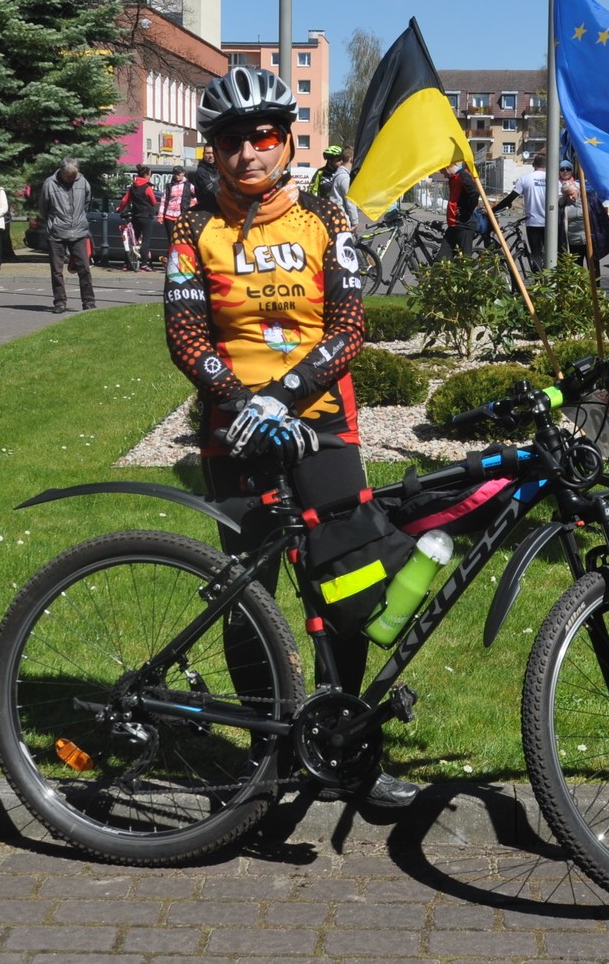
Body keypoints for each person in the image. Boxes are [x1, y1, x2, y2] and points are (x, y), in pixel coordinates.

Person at [162, 65, 413, 810]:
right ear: (213, 150)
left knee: (347, 587)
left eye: (264, 137)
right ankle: (265, 756)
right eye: (231, 141)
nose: (248, 154)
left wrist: (285, 396)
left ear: (287, 143)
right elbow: (185, 334)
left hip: (322, 423)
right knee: (251, 596)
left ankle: (344, 749)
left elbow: (349, 327)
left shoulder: (326, 219)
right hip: (234, 427)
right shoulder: (193, 228)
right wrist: (246, 401)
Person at [39, 157, 95, 313]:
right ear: (62, 172)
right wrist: (53, 222)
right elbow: (43, 207)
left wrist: (79, 218)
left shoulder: (83, 182)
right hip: (56, 232)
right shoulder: (50, 184)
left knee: (84, 268)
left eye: (73, 175)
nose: (71, 178)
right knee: (57, 270)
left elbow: (87, 203)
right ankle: (60, 302)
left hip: (79, 231)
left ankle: (89, 301)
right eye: (68, 176)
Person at [117, 167, 159, 272]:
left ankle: (126, 264)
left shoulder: (132, 187)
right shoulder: (147, 187)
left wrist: (120, 209)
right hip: (146, 216)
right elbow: (154, 201)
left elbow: (125, 200)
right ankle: (144, 265)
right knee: (146, 240)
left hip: (136, 216)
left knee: (132, 241)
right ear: (146, 175)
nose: (150, 177)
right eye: (150, 175)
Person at [440, 160, 477, 257]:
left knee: (465, 261)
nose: (444, 176)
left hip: (464, 226)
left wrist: (464, 212)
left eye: (443, 172)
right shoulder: (453, 178)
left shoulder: (463, 176)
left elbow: (474, 194)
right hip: (453, 226)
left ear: (446, 168)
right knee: (441, 261)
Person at [157, 166, 193, 251]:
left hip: (181, 216)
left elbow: (196, 197)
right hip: (169, 216)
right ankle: (172, 256)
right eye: (175, 174)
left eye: (178, 174)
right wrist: (160, 216)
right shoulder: (169, 186)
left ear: (183, 173)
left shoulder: (189, 185)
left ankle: (181, 255)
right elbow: (163, 201)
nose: (177, 176)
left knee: (181, 238)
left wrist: (191, 206)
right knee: (171, 239)